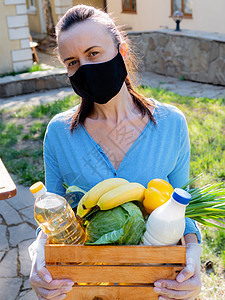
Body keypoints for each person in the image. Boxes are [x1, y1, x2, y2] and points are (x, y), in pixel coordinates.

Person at [29, 5, 202, 300]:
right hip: (86, 286)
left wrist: (195, 256)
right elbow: (53, 216)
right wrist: (37, 258)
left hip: (154, 286)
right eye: (72, 62)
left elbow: (182, 203)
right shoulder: (59, 133)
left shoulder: (171, 124)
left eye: (93, 53)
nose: (83, 68)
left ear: (121, 52)